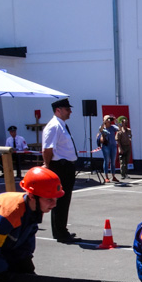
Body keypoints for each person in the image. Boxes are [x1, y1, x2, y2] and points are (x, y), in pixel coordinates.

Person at [42, 97, 78, 243]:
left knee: (65, 198)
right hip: (60, 166)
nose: (70, 112)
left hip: (66, 166)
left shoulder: (61, 125)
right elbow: (48, 148)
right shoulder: (54, 126)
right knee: (61, 200)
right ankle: (60, 232)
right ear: (58, 110)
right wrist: (47, 165)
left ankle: (61, 229)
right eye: (67, 109)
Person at [98, 115, 119, 183]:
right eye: (108, 119)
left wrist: (116, 122)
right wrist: (104, 121)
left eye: (109, 119)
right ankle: (106, 177)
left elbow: (120, 129)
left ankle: (113, 176)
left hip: (113, 146)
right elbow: (100, 129)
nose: (109, 121)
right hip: (106, 146)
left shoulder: (112, 127)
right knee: (107, 161)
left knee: (113, 161)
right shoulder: (103, 128)